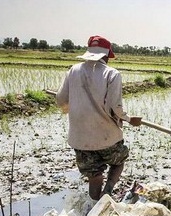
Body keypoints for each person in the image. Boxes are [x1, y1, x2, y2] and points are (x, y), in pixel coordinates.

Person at [55, 35, 142, 202]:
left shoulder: (73, 70)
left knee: (94, 172)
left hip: (80, 138)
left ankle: (95, 203)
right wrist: (129, 119)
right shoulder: (112, 74)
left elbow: (60, 100)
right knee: (118, 160)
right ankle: (108, 192)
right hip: (107, 136)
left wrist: (73, 106)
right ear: (106, 55)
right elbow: (115, 107)